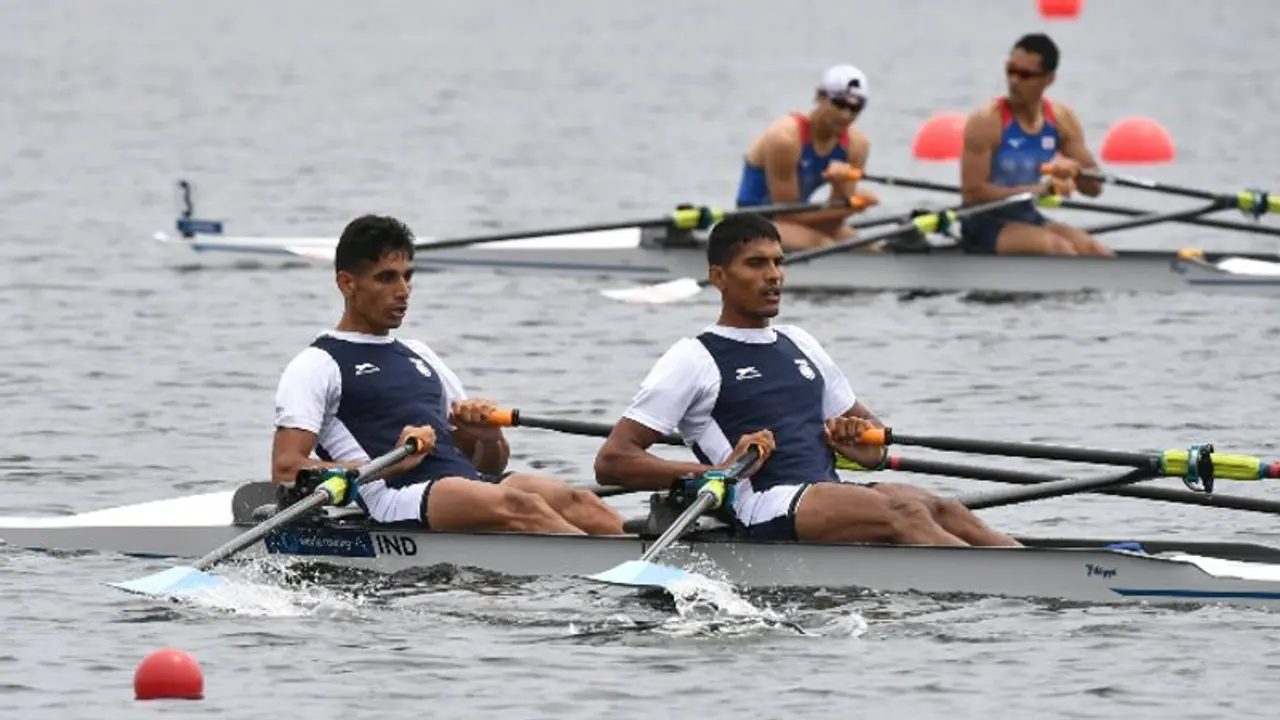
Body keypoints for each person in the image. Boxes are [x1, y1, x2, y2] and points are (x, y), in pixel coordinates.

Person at [594, 213, 1021, 547]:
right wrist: (716, 472)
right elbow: (613, 461)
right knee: (904, 515)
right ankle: (1002, 586)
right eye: (756, 264)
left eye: (779, 263)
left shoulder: (800, 342)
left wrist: (859, 444)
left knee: (940, 508)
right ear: (719, 277)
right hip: (761, 501)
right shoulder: (694, 357)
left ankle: (1033, 571)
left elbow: (873, 448)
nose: (774, 275)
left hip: (823, 493)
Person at [271, 214, 625, 536]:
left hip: (463, 484)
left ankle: (655, 565)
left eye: (408, 276)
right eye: (386, 278)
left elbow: (489, 463)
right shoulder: (317, 364)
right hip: (395, 497)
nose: (403, 290)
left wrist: (489, 438)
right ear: (347, 284)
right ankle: (614, 576)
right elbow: (287, 470)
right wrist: (390, 463)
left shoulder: (420, 355)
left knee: (573, 499)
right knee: (524, 506)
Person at [958, 33, 1113, 257]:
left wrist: (1075, 173)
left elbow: (1094, 188)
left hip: (1026, 217)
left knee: (1097, 252)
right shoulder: (987, 121)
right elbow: (972, 194)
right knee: (1060, 250)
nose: (1014, 81)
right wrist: (1037, 190)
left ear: (1049, 79)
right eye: (1010, 71)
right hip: (983, 224)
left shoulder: (1061, 120)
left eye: (1025, 75)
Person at [733, 64, 881, 251]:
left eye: (855, 108)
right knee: (824, 246)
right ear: (820, 96)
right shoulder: (785, 138)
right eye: (839, 104)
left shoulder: (857, 146)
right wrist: (853, 206)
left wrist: (839, 187)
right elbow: (786, 215)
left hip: (796, 218)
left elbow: (833, 222)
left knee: (865, 247)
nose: (846, 115)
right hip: (755, 221)